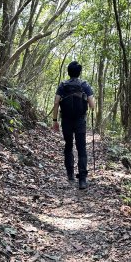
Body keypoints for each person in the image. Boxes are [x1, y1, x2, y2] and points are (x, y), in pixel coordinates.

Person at [52, 61, 95, 189]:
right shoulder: (85, 85)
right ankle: (82, 179)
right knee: (81, 148)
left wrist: (55, 120)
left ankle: (70, 174)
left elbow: (56, 102)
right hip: (80, 121)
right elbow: (92, 106)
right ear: (79, 72)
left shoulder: (63, 85)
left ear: (68, 72)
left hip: (66, 120)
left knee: (68, 146)